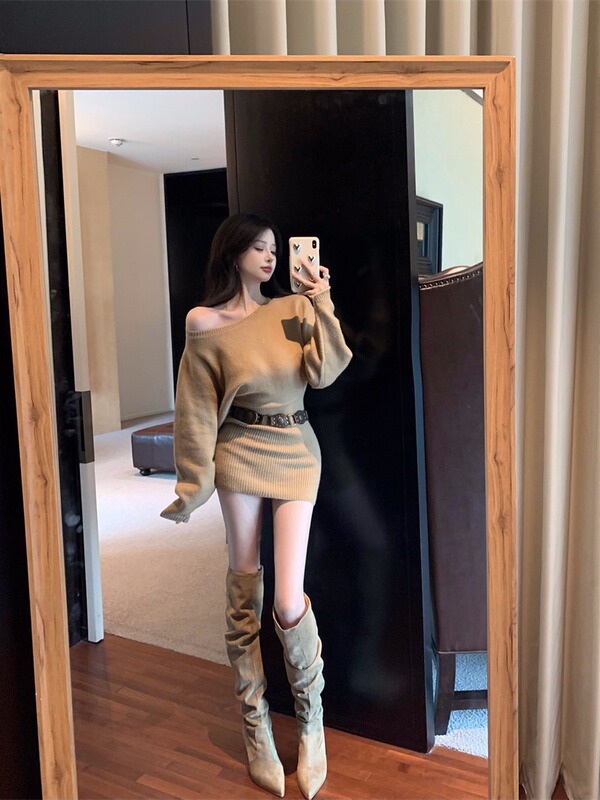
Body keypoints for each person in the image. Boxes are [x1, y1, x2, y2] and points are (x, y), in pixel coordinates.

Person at [160, 212, 352, 799]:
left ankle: (311, 722)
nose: (270, 257)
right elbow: (195, 409)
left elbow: (325, 372)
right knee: (244, 588)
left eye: (275, 249)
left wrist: (321, 302)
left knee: (289, 600)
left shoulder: (293, 308)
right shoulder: (204, 322)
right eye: (260, 248)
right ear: (234, 252)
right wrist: (190, 485)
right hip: (238, 450)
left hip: (296, 449)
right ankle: (255, 725)